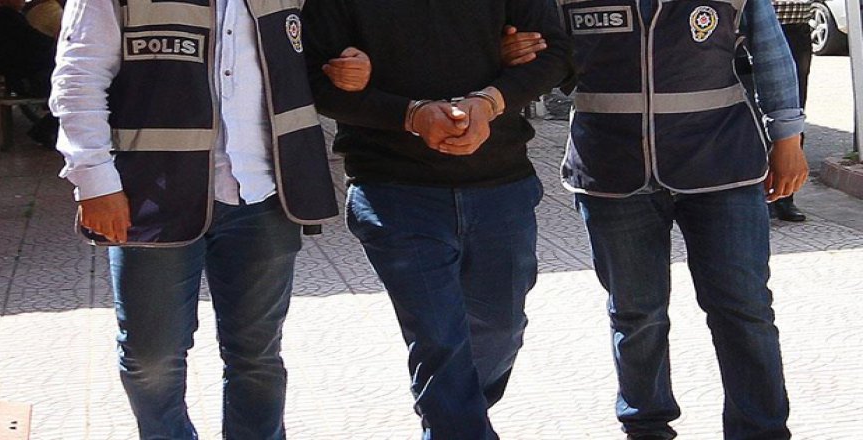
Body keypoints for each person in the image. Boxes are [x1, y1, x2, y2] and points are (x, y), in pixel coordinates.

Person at [49, 0, 366, 437]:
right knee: (151, 358)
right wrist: (94, 179)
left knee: (257, 355)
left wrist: (350, 64)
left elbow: (311, 56)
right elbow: (79, 75)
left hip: (263, 193)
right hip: (153, 193)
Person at [502, 0, 808, 437]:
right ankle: (646, 427)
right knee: (636, 315)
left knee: (744, 309)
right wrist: (513, 55)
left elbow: (772, 52)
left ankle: (761, 430)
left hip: (721, 164)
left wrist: (787, 137)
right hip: (611, 169)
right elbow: (540, 54)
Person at [301, 2, 573, 439]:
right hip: (393, 188)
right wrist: (410, 114)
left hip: (500, 184)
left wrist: (490, 102)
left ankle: (454, 417)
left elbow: (554, 54)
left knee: (502, 328)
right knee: (438, 338)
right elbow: (314, 79)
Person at [0, 0, 59, 146]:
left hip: (22, 77)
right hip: (26, 80)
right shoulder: (5, 19)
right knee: (77, 88)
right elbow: (35, 44)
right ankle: (44, 130)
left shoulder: (7, 16)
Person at [769, 0, 814, 221]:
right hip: (746, 24)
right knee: (748, 111)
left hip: (794, 20)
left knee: (793, 110)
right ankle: (753, 193)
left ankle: (786, 196)